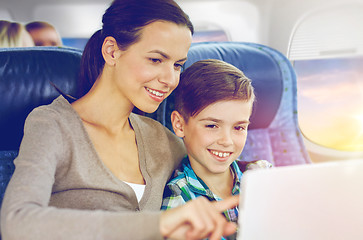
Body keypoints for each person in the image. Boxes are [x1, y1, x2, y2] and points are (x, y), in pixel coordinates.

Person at [1, 1, 239, 240]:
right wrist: (159, 224)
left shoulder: (160, 138)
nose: (170, 79)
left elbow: (213, 170)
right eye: (156, 60)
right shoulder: (53, 124)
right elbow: (17, 222)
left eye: (177, 65)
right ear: (112, 51)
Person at [161, 59, 271, 239]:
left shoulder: (262, 173)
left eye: (239, 127)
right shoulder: (179, 198)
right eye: (212, 126)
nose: (227, 141)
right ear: (179, 125)